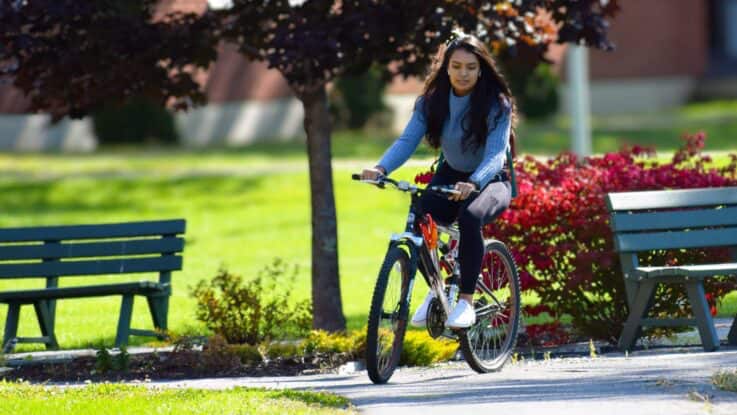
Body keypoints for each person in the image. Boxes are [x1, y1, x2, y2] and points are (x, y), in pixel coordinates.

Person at [360, 32, 516, 329]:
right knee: (419, 218)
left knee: (470, 217)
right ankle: (437, 291)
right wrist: (381, 169)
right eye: (456, 66)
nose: (463, 73)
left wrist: (475, 182)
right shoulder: (431, 102)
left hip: (492, 180)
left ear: (481, 68)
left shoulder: (497, 103)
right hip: (451, 175)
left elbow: (496, 154)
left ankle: (466, 302)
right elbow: (407, 141)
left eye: (471, 67)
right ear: (446, 67)